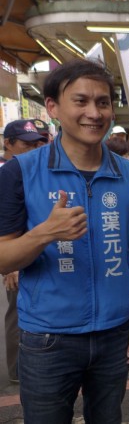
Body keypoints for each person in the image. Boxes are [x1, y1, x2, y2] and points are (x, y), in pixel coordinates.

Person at [0, 59, 129, 423]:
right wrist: (46, 232)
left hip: (115, 334)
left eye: (102, 102)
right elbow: (4, 259)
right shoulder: (20, 172)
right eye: (80, 101)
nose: (93, 113)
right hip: (48, 338)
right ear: (53, 106)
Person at [0, 119, 49, 383]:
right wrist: (10, 265)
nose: (34, 148)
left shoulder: (36, 170)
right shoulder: (7, 172)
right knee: (17, 310)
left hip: (37, 250)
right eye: (26, 143)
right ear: (8, 143)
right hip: (14, 253)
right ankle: (19, 370)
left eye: (38, 142)